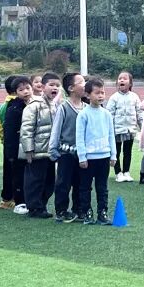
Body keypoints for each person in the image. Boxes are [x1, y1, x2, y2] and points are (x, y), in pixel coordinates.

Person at [76, 77, 116, 225]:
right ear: (87, 95)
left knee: (102, 187)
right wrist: (82, 157)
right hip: (88, 159)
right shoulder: (83, 114)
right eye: (97, 93)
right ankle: (87, 212)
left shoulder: (106, 114)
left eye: (102, 92)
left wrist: (113, 155)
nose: (100, 96)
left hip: (104, 157)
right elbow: (79, 137)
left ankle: (102, 213)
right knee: (85, 187)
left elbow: (111, 135)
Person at [21, 72, 60, 219]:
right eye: (51, 85)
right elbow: (27, 128)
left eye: (57, 85)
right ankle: (34, 207)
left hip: (50, 151)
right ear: (43, 87)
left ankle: (42, 205)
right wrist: (28, 149)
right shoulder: (34, 105)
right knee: (35, 181)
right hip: (37, 151)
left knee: (49, 181)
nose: (54, 88)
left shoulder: (55, 105)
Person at [51, 72, 85, 222]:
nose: (85, 85)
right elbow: (56, 129)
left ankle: (78, 209)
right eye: (81, 82)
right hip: (66, 153)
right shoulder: (63, 108)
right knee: (63, 183)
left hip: (82, 154)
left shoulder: (86, 107)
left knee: (80, 183)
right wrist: (53, 149)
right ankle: (61, 210)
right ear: (71, 88)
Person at [0, 76, 32, 213]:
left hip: (33, 147)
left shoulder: (36, 105)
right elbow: (9, 132)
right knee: (19, 176)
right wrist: (11, 153)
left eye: (28, 88)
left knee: (32, 176)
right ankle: (19, 203)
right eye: (21, 89)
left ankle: (32, 201)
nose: (26, 91)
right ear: (15, 92)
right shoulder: (13, 109)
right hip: (18, 148)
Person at [107, 71, 142, 182]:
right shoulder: (114, 98)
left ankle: (126, 172)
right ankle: (118, 173)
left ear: (130, 83)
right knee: (116, 152)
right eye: (120, 78)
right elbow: (109, 114)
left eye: (125, 78)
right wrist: (109, 129)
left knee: (128, 152)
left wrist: (142, 126)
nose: (121, 80)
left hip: (130, 129)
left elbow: (139, 112)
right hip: (117, 130)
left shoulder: (134, 97)